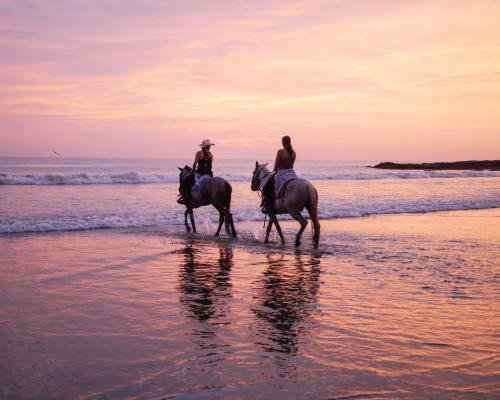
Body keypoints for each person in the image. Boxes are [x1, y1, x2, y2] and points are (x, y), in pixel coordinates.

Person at [261, 135, 297, 214]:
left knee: (267, 185)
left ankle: (269, 205)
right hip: (292, 174)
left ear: (283, 142)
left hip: (282, 173)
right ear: (290, 142)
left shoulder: (280, 151)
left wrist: (274, 169)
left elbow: (276, 164)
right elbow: (291, 165)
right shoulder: (294, 153)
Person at [177, 139, 215, 204]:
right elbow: (210, 166)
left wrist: (194, 170)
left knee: (188, 181)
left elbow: (194, 164)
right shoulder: (211, 155)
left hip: (200, 173)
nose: (209, 147)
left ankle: (185, 197)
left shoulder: (199, 153)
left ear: (203, 146)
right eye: (209, 146)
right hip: (209, 174)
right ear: (208, 146)